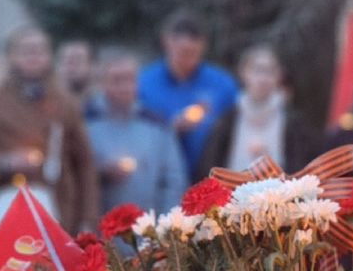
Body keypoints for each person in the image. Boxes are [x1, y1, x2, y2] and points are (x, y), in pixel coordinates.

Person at [0, 25, 98, 233]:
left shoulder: (65, 101)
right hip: (6, 207)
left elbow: (84, 164)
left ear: (49, 57)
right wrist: (5, 163)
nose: (34, 56)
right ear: (12, 57)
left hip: (58, 208)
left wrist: (88, 220)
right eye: (26, 51)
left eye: (40, 50)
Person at [87, 50, 190, 215]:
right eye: (117, 80)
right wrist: (101, 173)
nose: (124, 87)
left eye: (130, 79)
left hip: (148, 228)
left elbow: (173, 180)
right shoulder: (86, 122)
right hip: (99, 228)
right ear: (102, 83)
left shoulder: (157, 124)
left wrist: (165, 227)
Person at [137, 11, 239, 171]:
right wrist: (170, 128)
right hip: (158, 171)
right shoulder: (144, 83)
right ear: (166, 41)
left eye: (192, 53)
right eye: (181, 52)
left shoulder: (222, 85)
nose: (186, 59)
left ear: (203, 45)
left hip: (210, 175)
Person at [196, 45, 316, 177]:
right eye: (257, 70)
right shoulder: (226, 120)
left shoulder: (294, 123)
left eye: (270, 71)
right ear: (243, 72)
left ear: (279, 76)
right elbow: (210, 166)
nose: (263, 79)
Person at [57, 40, 96, 113]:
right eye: (68, 61)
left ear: (92, 67)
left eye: (78, 61)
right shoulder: (44, 107)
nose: (72, 67)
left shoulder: (109, 108)